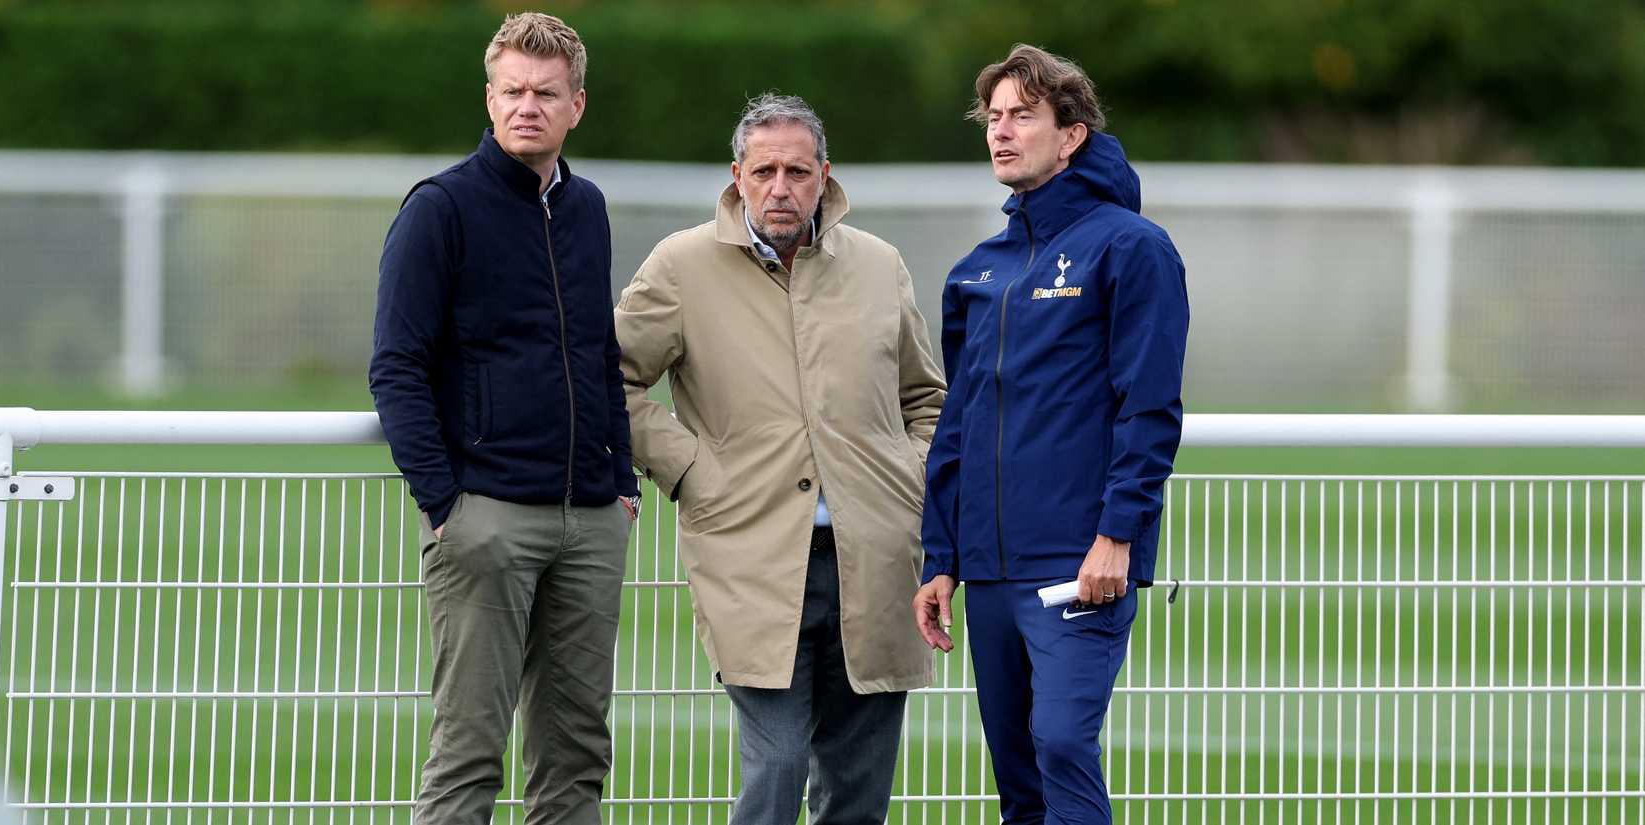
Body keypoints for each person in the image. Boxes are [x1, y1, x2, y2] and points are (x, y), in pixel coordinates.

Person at [614, 93, 946, 824]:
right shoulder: (681, 265)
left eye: (798, 171)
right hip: (750, 556)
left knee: (858, 786)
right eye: (764, 170)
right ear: (737, 176)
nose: (781, 187)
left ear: (824, 176)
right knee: (779, 763)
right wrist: (691, 468)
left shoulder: (880, 265)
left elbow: (929, 397)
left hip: (877, 554)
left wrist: (909, 473)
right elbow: (612, 377)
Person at [368, 13, 638, 825]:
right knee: (469, 752)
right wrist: (445, 503)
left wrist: (618, 480)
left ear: (576, 105)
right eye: (513, 90)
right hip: (485, 518)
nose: (529, 106)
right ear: (489, 99)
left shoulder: (586, 207)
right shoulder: (440, 208)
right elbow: (396, 364)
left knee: (577, 754)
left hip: (590, 519)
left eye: (546, 93)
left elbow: (598, 352)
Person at [912, 45, 1189, 824]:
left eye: (1023, 116)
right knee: (1020, 781)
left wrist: (1118, 535)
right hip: (988, 569)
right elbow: (957, 424)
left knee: (1063, 742)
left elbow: (1151, 407)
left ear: (1070, 136)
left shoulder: (1131, 247)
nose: (1002, 132)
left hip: (1078, 564)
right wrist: (942, 556)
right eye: (994, 117)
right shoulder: (978, 271)